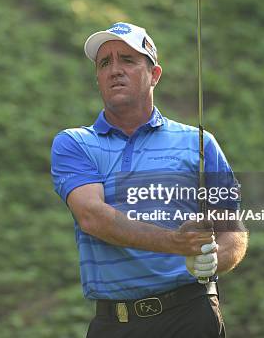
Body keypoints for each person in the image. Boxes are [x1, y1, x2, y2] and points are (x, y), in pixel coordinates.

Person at [50, 22, 248, 337]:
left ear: (154, 74)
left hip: (191, 316)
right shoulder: (74, 143)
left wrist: (216, 259)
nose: (115, 70)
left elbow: (232, 232)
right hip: (115, 324)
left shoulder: (198, 142)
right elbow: (92, 217)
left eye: (127, 60)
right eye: (105, 63)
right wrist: (174, 243)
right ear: (98, 79)